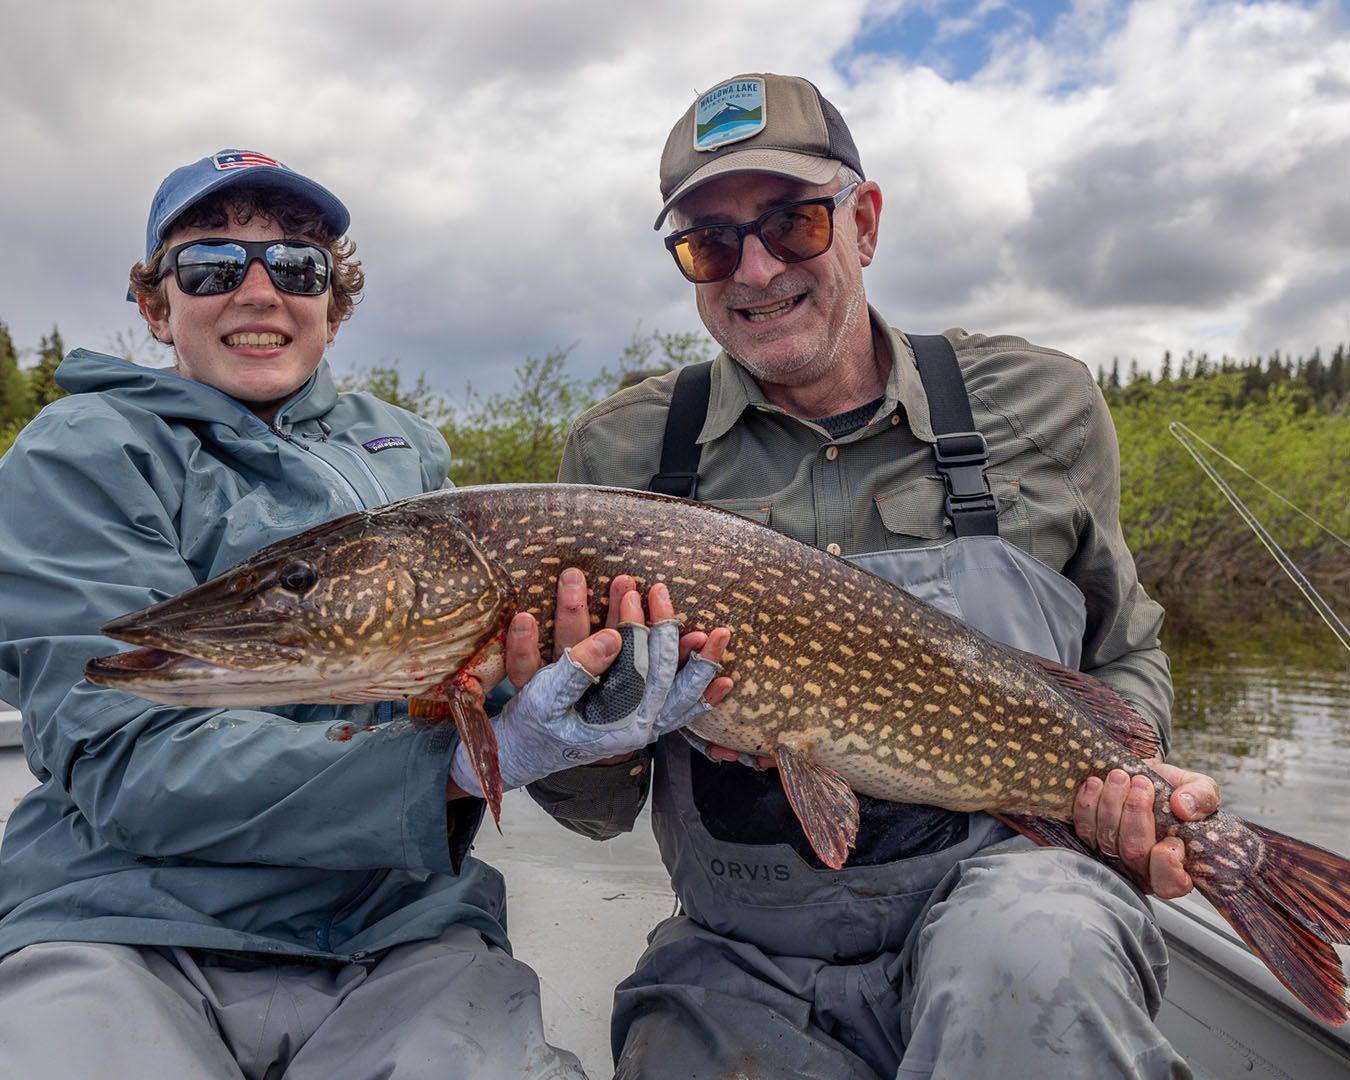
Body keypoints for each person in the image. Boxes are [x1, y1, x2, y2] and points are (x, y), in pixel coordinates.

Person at [530, 74, 1223, 1079]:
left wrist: (1137, 774)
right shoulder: (623, 455)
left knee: (1036, 957)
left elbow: (1123, 652)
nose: (756, 268)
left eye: (794, 223)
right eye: (712, 242)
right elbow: (596, 811)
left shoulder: (1039, 403)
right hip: (744, 944)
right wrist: (577, 721)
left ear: (865, 222)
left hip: (1012, 888)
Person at [0, 149, 727, 1079]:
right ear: (155, 305)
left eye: (297, 266)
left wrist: (554, 704)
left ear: (331, 306)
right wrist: (454, 770)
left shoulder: (405, 457)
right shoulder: (83, 450)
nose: (259, 293)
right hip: (133, 929)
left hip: (401, 931)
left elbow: (456, 681)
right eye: (212, 267)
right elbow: (121, 755)